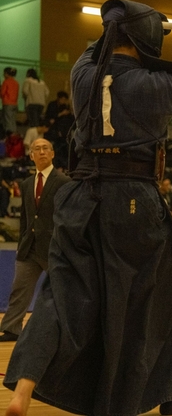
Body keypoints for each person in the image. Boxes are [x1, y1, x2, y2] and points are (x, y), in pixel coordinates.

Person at [2, 0, 172, 416]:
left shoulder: (82, 74)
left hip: (79, 197)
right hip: (133, 201)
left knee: (61, 294)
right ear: (145, 38)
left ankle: (22, 387)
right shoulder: (152, 85)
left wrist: (122, 24)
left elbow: (94, 46)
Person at [0, 138, 70, 342]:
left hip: (54, 247)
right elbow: (25, 217)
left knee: (63, 291)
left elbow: (69, 216)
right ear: (31, 156)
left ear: (52, 153)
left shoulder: (64, 182)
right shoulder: (27, 183)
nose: (41, 152)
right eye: (37, 149)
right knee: (19, 289)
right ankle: (12, 328)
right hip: (29, 247)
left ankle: (68, 330)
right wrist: (21, 243)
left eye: (45, 148)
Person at [1, 67, 19, 137]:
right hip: (15, 104)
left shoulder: (6, 82)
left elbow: (2, 93)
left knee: (7, 121)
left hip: (7, 103)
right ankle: (14, 136)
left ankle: (9, 136)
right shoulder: (16, 83)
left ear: (6, 74)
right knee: (13, 121)